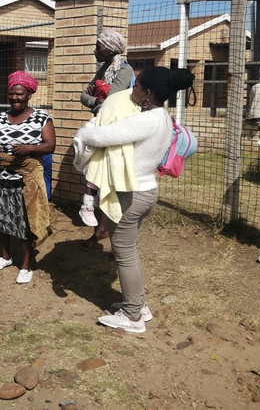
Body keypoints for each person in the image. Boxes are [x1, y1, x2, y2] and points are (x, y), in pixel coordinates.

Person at [76, 67, 194, 333]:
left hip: (133, 195)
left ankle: (132, 317)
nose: (133, 89)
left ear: (147, 93)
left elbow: (103, 136)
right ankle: (139, 305)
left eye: (137, 85)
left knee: (124, 254)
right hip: (146, 192)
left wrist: (84, 132)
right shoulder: (162, 116)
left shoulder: (147, 120)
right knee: (129, 251)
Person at [0, 72, 55, 284]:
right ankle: (5, 256)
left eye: (19, 94)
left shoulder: (41, 117)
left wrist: (28, 148)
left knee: (26, 223)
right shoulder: (0, 118)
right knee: (2, 219)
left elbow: (50, 145)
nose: (15, 98)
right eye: (11, 93)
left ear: (29, 94)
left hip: (27, 180)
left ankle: (26, 265)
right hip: (2, 178)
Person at [79, 29, 136, 239]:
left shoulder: (124, 71)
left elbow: (111, 104)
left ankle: (107, 227)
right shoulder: (104, 69)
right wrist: (96, 101)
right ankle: (102, 227)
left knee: (107, 176)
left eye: (98, 46)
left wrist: (98, 101)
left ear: (111, 48)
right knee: (98, 174)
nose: (95, 51)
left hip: (117, 129)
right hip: (103, 126)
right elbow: (84, 96)